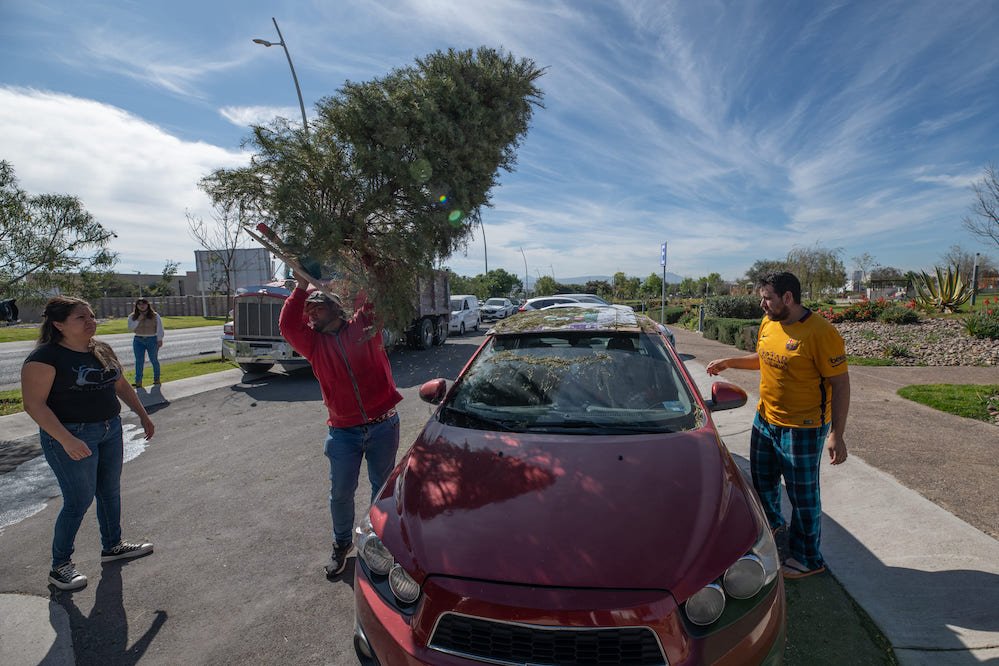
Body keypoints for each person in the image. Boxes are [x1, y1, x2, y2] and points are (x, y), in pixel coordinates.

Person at [706, 271, 850, 579]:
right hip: (765, 419)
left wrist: (837, 434)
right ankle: (772, 530)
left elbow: (841, 384)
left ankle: (808, 557)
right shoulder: (769, 322)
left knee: (803, 497)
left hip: (803, 427)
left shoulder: (821, 332)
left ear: (788, 297)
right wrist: (729, 362)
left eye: (767, 298)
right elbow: (764, 358)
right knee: (763, 483)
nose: (762, 304)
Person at [21, 296, 155, 591]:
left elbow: (120, 384)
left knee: (109, 492)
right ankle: (60, 566)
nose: (91, 321)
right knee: (78, 500)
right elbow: (34, 405)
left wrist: (143, 415)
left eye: (91, 315)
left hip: (110, 429)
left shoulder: (101, 349)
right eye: (81, 318)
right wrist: (66, 439)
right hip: (70, 434)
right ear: (59, 324)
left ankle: (113, 546)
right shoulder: (45, 357)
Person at [279, 271, 403, 579]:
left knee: (381, 488)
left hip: (383, 426)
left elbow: (371, 296)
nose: (311, 315)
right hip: (342, 433)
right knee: (340, 494)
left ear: (336, 308)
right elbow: (288, 326)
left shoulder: (364, 328)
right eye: (308, 311)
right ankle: (342, 543)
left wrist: (355, 271)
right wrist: (301, 288)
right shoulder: (313, 345)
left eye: (317, 308)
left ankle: (378, 541)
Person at [127, 298, 164, 388]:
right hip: (138, 340)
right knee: (139, 361)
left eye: (144, 304)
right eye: (139, 304)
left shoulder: (155, 315)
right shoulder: (132, 316)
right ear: (136, 306)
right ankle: (138, 382)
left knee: (154, 360)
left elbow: (160, 328)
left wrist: (159, 339)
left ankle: (156, 379)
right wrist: (138, 319)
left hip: (152, 339)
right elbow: (130, 328)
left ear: (148, 305)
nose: (142, 306)